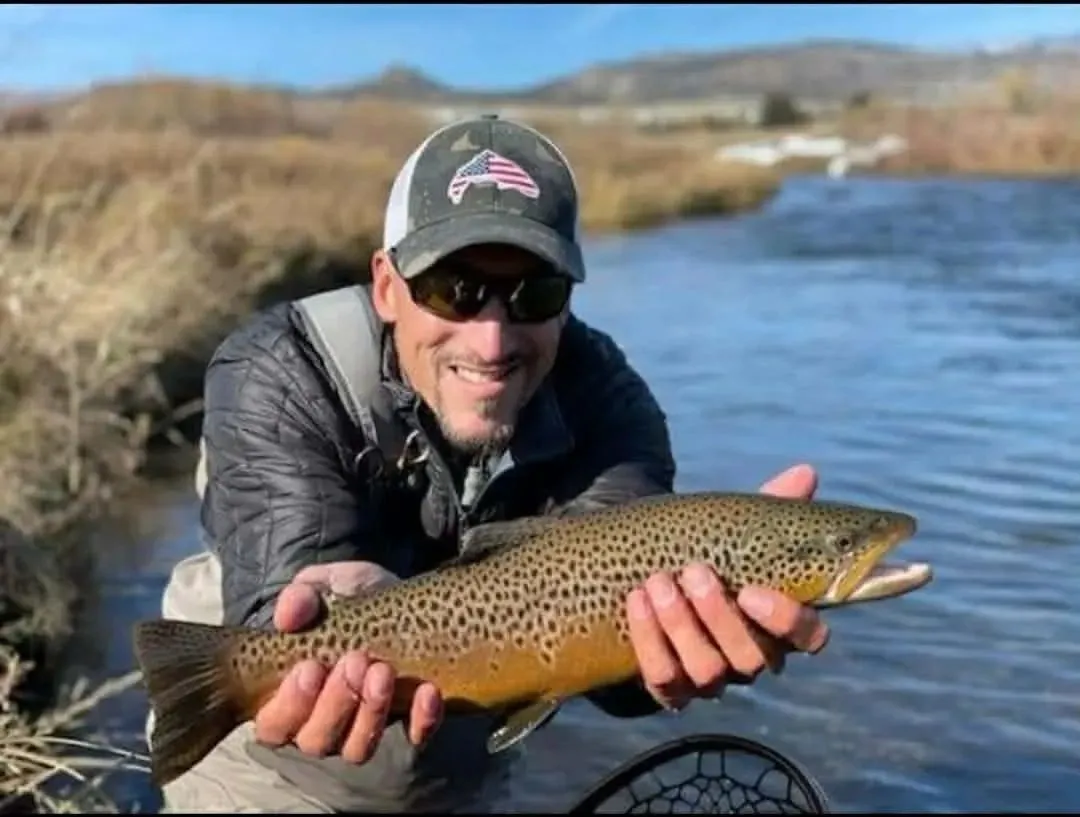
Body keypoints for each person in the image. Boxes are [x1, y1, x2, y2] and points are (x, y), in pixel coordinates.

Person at [149, 113, 830, 814]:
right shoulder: (281, 370)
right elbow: (278, 593)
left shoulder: (609, 408)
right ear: (388, 284)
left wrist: (672, 663)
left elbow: (607, 634)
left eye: (534, 292)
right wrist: (317, 619)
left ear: (568, 298)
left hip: (459, 768)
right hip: (263, 770)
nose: (492, 338)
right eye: (454, 288)